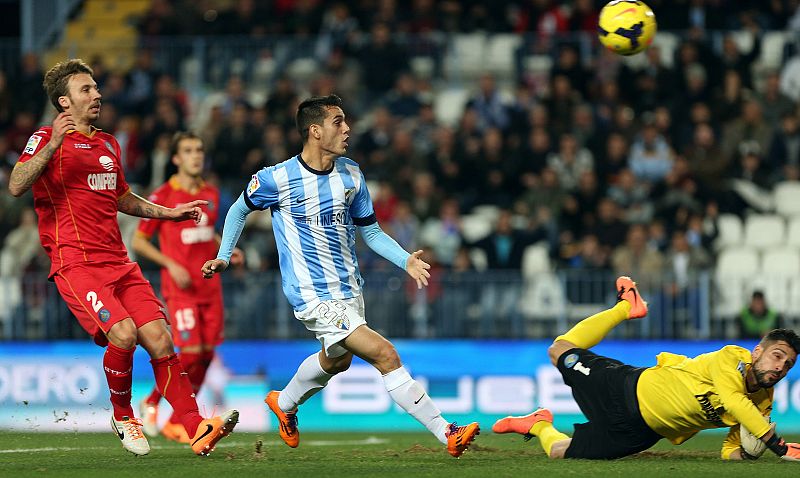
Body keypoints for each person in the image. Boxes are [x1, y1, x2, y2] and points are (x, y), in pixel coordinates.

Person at [202, 94, 480, 457]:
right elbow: (239, 210)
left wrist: (405, 261)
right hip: (311, 295)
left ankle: (284, 404)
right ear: (315, 131)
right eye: (338, 121)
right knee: (385, 354)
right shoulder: (277, 178)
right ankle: (448, 432)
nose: (347, 128)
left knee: (337, 360)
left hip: (349, 290)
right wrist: (224, 256)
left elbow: (373, 231)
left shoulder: (351, 174)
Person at [8, 59, 237, 457]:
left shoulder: (109, 143)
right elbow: (16, 184)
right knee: (125, 334)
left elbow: (121, 197)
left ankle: (195, 427)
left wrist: (169, 213)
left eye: (96, 88)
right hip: (76, 263)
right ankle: (122, 414)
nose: (96, 94)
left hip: (119, 261)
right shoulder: (45, 136)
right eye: (86, 90)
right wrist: (52, 147)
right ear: (64, 101)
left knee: (161, 339)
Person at [492, 276, 800, 462]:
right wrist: (776, 444)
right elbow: (734, 401)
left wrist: (747, 453)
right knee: (558, 350)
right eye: (776, 355)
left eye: (788, 364)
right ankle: (627, 307)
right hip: (623, 390)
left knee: (560, 452)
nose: (781, 366)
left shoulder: (761, 405)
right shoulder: (732, 359)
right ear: (757, 352)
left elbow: (729, 449)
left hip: (639, 434)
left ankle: (538, 424)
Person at [132, 132, 243, 443]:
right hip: (181, 289)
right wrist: (171, 263)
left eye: (200, 150)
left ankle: (176, 423)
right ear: (176, 159)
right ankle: (151, 401)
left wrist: (226, 250)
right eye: (189, 151)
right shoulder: (163, 195)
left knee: (207, 355)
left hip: (210, 287)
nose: (196, 156)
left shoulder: (211, 192)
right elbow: (139, 241)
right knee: (190, 354)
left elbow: (208, 233)